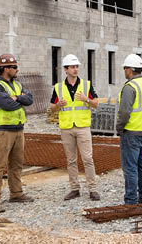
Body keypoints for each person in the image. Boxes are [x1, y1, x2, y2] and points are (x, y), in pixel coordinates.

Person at [0, 53, 34, 213]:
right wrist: (18, 100)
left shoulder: (17, 84)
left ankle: (16, 194)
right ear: (5, 69)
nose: (16, 69)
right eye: (13, 67)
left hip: (18, 129)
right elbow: (7, 105)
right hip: (2, 131)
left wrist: (17, 98)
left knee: (17, 164)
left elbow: (30, 99)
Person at [49, 54, 101, 201]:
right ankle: (74, 189)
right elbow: (52, 108)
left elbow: (96, 103)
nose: (75, 69)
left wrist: (86, 99)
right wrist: (58, 105)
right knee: (71, 160)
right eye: (72, 67)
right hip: (66, 128)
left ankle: (92, 189)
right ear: (65, 69)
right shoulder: (58, 88)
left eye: (77, 66)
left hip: (83, 126)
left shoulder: (87, 85)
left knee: (87, 158)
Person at [116, 54, 142, 205]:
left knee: (130, 167)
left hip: (131, 132)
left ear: (130, 70)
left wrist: (119, 127)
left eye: (125, 68)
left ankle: (131, 201)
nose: (124, 71)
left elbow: (124, 112)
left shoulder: (130, 87)